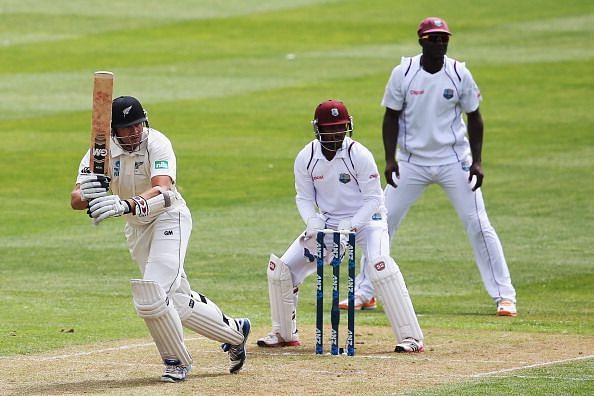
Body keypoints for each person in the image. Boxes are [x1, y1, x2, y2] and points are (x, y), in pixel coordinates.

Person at [339, 17, 517, 317]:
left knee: (478, 223)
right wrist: (390, 159)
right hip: (411, 162)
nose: (440, 43)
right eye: (434, 38)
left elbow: (475, 117)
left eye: (444, 38)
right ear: (421, 40)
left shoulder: (459, 73)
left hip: (453, 160)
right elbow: (390, 116)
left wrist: (477, 161)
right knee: (380, 223)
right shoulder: (404, 72)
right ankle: (365, 292)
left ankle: (504, 296)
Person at [70, 96, 251, 382]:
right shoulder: (99, 153)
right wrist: (87, 192)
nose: (135, 132)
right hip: (137, 229)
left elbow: (164, 189)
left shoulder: (157, 143)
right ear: (114, 130)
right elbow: (76, 198)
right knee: (175, 301)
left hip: (170, 217)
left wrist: (125, 204)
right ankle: (235, 333)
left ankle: (176, 362)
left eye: (139, 125)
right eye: (128, 128)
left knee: (151, 296)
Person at [257, 99, 424, 353]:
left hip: (369, 220)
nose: (336, 133)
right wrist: (312, 221)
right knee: (281, 269)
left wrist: (352, 226)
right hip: (329, 221)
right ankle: (283, 332)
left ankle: (411, 338)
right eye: (330, 128)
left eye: (340, 127)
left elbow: (374, 199)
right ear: (318, 129)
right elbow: (303, 197)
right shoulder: (307, 157)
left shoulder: (359, 155)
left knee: (380, 266)